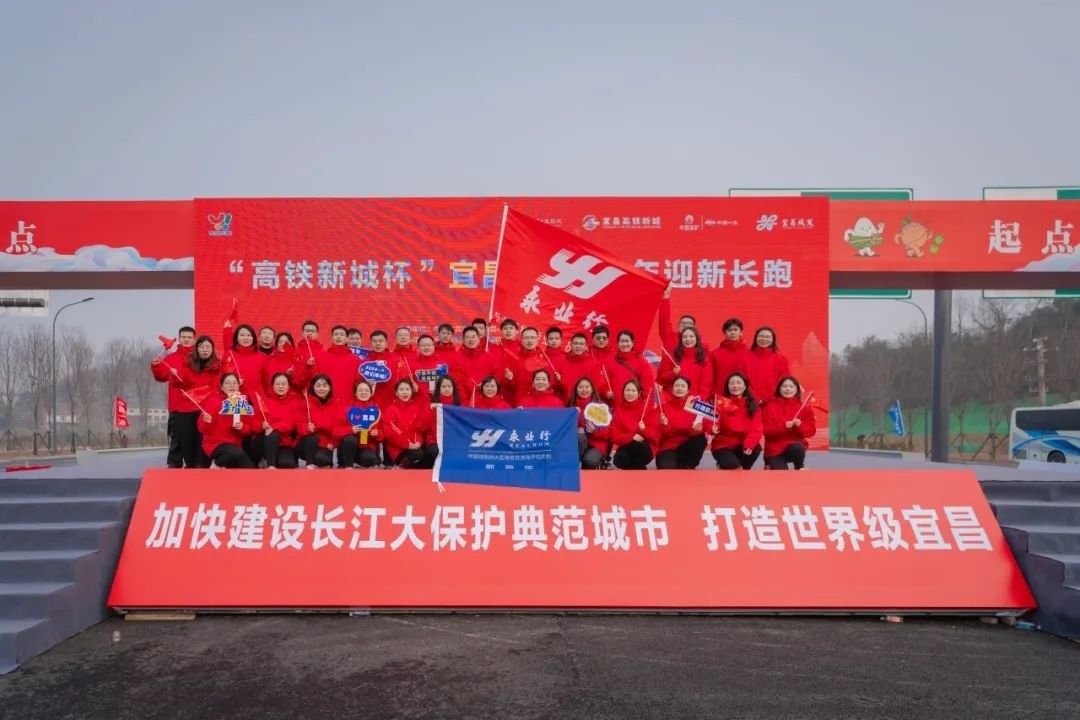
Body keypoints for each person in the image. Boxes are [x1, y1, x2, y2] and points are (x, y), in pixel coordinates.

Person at [150, 325, 197, 468]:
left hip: (196, 405)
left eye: (189, 337)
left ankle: (194, 465)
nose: (186, 340)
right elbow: (161, 377)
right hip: (176, 405)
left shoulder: (199, 358)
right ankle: (174, 464)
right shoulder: (171, 358)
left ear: (194, 339)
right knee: (176, 437)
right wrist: (156, 366)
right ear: (179, 339)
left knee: (195, 437)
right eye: (184, 337)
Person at [198, 373, 257, 469]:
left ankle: (217, 464)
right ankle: (252, 476)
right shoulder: (213, 401)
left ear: (239, 386)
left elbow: (249, 428)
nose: (232, 386)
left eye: (235, 383)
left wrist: (242, 427)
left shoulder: (242, 402)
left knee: (232, 457)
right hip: (215, 443)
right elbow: (202, 428)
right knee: (241, 456)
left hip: (234, 444)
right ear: (221, 387)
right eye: (228, 383)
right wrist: (206, 422)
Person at [710, 372, 763, 470]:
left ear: (745, 386)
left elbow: (756, 429)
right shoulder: (721, 403)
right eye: (732, 383)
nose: (735, 386)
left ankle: (742, 467)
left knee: (756, 447)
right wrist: (712, 428)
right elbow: (712, 421)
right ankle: (729, 464)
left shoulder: (752, 406)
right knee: (733, 466)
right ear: (727, 386)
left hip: (742, 444)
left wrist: (748, 445)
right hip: (723, 445)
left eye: (739, 383)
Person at [762, 376, 816, 470]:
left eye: (791, 386)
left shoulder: (804, 408)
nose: (788, 389)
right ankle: (770, 464)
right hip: (774, 450)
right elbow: (766, 431)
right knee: (781, 475)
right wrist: (783, 426)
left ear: (797, 389)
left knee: (798, 447)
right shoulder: (770, 408)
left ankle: (799, 467)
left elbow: (811, 432)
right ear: (779, 389)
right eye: (784, 386)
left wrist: (800, 425)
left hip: (794, 448)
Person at [294, 374, 348, 469]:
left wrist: (333, 443)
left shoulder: (337, 404)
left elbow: (339, 427)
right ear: (313, 388)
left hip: (326, 444)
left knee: (322, 460)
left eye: (324, 385)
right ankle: (309, 464)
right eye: (318, 386)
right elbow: (298, 424)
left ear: (330, 387)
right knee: (312, 437)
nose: (321, 389)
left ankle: (324, 461)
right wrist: (307, 428)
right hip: (307, 443)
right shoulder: (306, 403)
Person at [382, 379, 438, 468]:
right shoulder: (390, 409)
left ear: (412, 392)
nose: (405, 392)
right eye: (401, 389)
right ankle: (399, 466)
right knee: (417, 455)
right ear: (396, 393)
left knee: (426, 456)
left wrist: (418, 442)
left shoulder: (417, 408)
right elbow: (390, 432)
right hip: (396, 449)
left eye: (407, 389)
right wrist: (407, 444)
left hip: (414, 446)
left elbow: (419, 429)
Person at [656, 377, 708, 469]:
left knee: (700, 438)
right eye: (677, 386)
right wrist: (665, 425)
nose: (679, 388)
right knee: (665, 469)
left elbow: (700, 429)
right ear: (672, 388)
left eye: (683, 386)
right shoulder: (663, 407)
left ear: (688, 390)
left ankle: (688, 464)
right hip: (668, 447)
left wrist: (695, 429)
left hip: (686, 447)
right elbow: (659, 433)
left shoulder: (694, 407)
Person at [251, 372, 299, 469]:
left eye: (284, 384)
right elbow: (254, 425)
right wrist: (262, 425)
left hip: (284, 442)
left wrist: (274, 427)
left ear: (289, 386)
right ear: (272, 386)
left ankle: (273, 460)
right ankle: (271, 465)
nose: (281, 387)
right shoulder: (265, 401)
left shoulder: (295, 402)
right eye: (277, 384)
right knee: (273, 435)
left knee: (287, 464)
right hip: (264, 440)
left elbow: (292, 424)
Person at [610, 379, 660, 470]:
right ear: (623, 392)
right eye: (628, 390)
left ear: (639, 393)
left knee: (636, 449)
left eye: (633, 391)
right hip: (626, 446)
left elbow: (656, 435)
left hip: (644, 447)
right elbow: (614, 436)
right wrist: (631, 436)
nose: (630, 393)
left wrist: (644, 429)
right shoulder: (619, 410)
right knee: (620, 459)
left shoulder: (647, 408)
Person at [338, 380, 383, 468]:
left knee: (369, 459)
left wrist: (377, 433)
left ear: (371, 393)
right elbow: (336, 430)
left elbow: (382, 435)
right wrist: (351, 430)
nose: (363, 393)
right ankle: (348, 466)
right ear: (355, 393)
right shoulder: (347, 409)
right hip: (349, 447)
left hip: (367, 446)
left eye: (366, 390)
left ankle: (361, 464)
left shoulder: (376, 411)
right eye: (360, 390)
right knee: (350, 440)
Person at [658, 327, 712, 400]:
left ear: (697, 339)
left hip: (692, 401)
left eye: (691, 336)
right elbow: (661, 377)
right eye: (685, 337)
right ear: (680, 340)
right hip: (672, 400)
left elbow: (705, 384)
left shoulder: (704, 360)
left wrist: (700, 398)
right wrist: (673, 373)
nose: (688, 339)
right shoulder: (672, 356)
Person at [569, 377, 610, 470]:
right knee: (579, 437)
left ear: (592, 389)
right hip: (578, 443)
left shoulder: (601, 407)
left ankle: (599, 463)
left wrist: (595, 431)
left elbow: (608, 433)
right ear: (576, 390)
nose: (584, 389)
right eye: (580, 387)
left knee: (590, 461)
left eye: (587, 387)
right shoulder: (571, 407)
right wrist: (573, 416)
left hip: (596, 444)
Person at [455, 326, 500, 405]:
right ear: (463, 340)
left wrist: (486, 385)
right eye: (468, 337)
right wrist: (464, 402)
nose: (471, 340)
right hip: (466, 403)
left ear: (478, 338)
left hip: (487, 402)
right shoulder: (456, 357)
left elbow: (497, 378)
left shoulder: (489, 357)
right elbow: (457, 383)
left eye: (473, 337)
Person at [745, 326, 791, 402]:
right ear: (756, 338)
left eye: (768, 337)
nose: (764, 339)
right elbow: (742, 381)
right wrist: (754, 398)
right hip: (750, 402)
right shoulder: (745, 358)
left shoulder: (781, 359)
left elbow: (784, 382)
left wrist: (769, 399)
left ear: (773, 340)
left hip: (773, 402)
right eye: (761, 336)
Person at [658, 284, 707, 354]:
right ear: (679, 326)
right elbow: (664, 321)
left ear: (694, 328)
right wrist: (666, 296)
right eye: (683, 323)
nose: (685, 325)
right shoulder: (670, 338)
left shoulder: (702, 347)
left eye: (689, 324)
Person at [221, 323, 268, 395]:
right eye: (242, 335)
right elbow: (222, 376)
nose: (246, 338)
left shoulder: (262, 357)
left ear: (253, 338)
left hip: (258, 397)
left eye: (249, 335)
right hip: (235, 397)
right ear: (236, 338)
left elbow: (267, 381)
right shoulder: (229, 355)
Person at [710, 318, 750, 397]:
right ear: (725, 333)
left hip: (744, 396)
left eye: (735, 330)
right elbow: (710, 378)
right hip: (721, 396)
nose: (732, 333)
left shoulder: (749, 353)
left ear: (741, 332)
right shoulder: (714, 354)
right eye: (729, 330)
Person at [612, 330, 656, 398]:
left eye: (627, 341)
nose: (624, 344)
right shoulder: (611, 360)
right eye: (622, 341)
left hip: (635, 403)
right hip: (615, 403)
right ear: (617, 344)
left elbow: (648, 390)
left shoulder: (642, 363)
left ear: (633, 343)